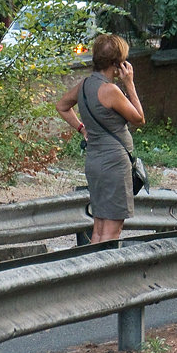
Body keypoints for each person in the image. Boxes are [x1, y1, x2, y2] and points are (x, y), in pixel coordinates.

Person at [55, 34, 146, 243]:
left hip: (94, 161)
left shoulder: (85, 85)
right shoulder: (110, 90)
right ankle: (102, 274)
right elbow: (139, 119)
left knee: (98, 228)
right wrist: (130, 84)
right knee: (111, 231)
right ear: (117, 64)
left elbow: (62, 106)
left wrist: (82, 129)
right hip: (114, 165)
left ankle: (90, 272)